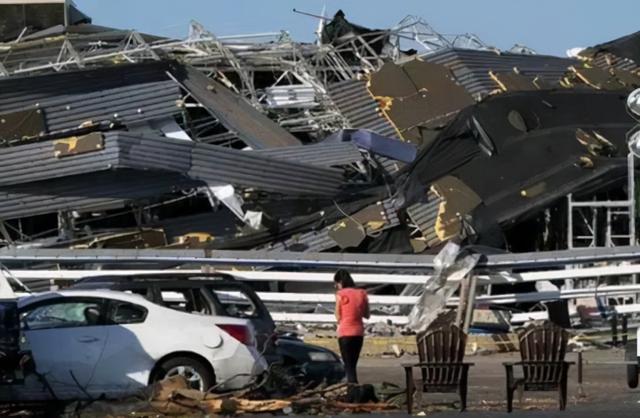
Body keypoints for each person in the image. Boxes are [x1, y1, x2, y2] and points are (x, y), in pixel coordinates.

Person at [334, 269, 370, 384]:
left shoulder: (340, 294)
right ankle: (353, 387)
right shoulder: (362, 293)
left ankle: (352, 389)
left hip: (345, 333)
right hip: (358, 333)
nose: (336, 286)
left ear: (340, 282)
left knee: (348, 366)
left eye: (336, 283)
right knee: (353, 365)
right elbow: (367, 315)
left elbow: (338, 316)